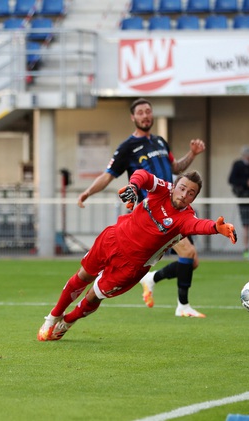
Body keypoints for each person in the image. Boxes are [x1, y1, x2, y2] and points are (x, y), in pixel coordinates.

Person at [38, 169, 237, 341]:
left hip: (131, 266)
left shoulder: (185, 218)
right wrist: (133, 186)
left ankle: (67, 322)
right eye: (182, 188)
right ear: (175, 185)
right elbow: (143, 175)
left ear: (194, 198)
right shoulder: (163, 189)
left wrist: (216, 227)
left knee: (94, 295)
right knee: (83, 276)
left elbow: (199, 225)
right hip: (112, 239)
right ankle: (52, 317)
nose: (185, 194)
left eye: (191, 193)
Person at [77, 98, 207, 317]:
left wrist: (192, 154)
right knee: (188, 251)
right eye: (141, 112)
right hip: (152, 214)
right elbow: (109, 175)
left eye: (148, 111)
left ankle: (152, 278)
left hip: (174, 209)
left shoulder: (160, 142)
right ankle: (183, 307)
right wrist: (88, 191)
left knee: (192, 262)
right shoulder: (127, 147)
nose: (146, 115)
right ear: (133, 117)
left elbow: (176, 168)